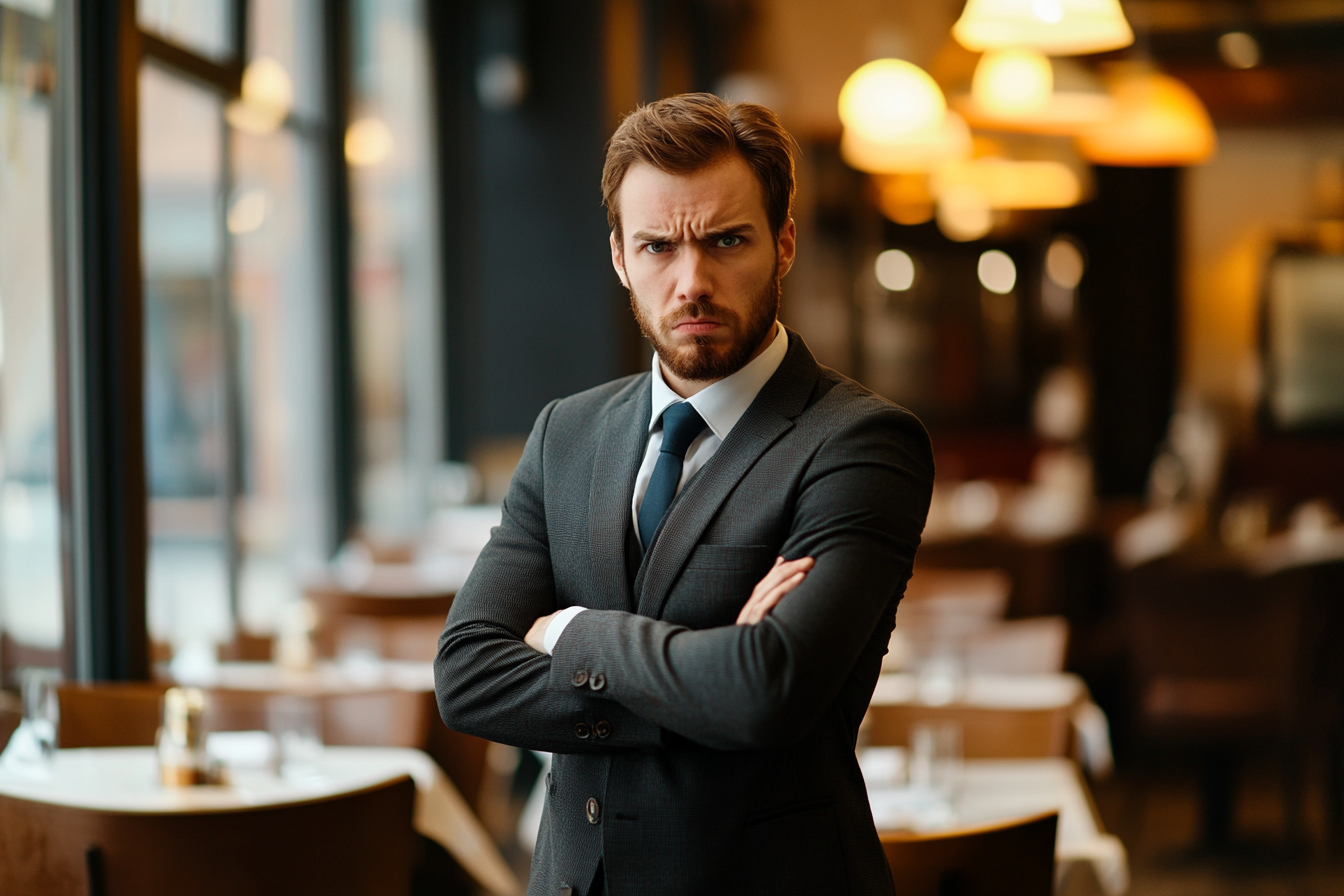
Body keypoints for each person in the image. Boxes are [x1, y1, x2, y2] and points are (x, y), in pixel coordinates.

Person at [435, 93, 933, 896]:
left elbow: (767, 689)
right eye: (658, 246)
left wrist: (574, 632)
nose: (691, 281)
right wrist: (708, 681)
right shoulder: (567, 434)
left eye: (726, 240)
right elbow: (465, 675)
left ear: (784, 244)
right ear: (620, 260)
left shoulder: (861, 443)